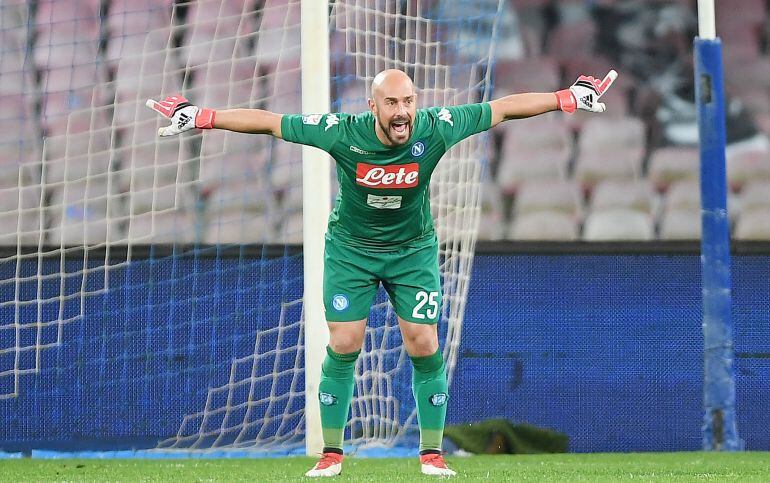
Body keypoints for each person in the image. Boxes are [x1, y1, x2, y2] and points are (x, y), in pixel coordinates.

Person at [147, 68, 617, 477]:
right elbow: (271, 123)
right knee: (345, 342)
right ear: (373, 106)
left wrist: (565, 98)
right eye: (391, 102)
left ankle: (431, 455)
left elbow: (501, 109)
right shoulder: (342, 132)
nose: (402, 111)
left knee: (424, 342)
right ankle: (332, 454)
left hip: (412, 251)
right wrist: (204, 116)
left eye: (408, 101)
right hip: (351, 251)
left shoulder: (435, 129)